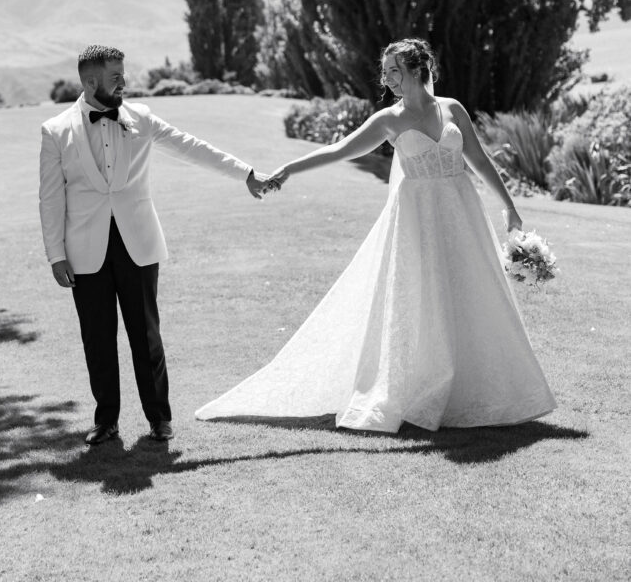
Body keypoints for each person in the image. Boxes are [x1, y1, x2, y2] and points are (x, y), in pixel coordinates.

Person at [195, 38, 555, 433]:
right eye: (384, 72)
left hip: (461, 214)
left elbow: (479, 159)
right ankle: (419, 386)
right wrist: (289, 169)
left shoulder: (452, 109)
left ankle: (477, 390)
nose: (386, 79)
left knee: (470, 293)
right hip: (416, 220)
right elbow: (340, 149)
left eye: (393, 71)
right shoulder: (389, 120)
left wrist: (510, 207)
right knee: (422, 298)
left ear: (418, 69)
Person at [39, 44, 278, 445]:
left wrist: (246, 173)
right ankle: (106, 420)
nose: (124, 83)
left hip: (138, 244)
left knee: (146, 334)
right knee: (97, 338)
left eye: (123, 74)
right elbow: (50, 198)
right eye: (115, 77)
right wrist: (55, 255)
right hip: (83, 252)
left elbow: (191, 147)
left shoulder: (142, 118)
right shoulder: (56, 130)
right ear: (90, 80)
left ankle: (159, 419)